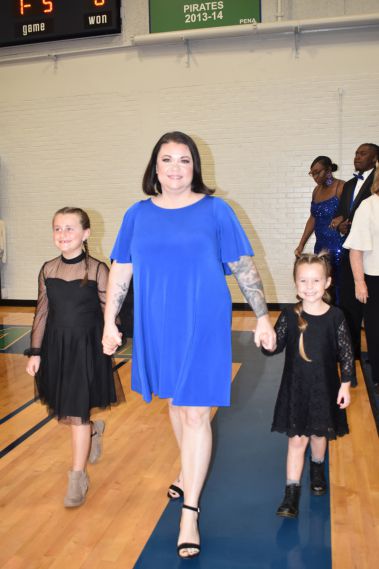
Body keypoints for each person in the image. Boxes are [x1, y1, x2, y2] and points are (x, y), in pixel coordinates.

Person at [102, 131, 276, 559]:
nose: (176, 168)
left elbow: (243, 267)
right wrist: (109, 323)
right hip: (156, 323)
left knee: (196, 410)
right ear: (154, 167)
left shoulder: (217, 210)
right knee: (177, 406)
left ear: (194, 167)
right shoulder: (137, 214)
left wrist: (263, 316)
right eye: (167, 160)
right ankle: (187, 468)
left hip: (202, 321)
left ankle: (190, 512)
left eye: (184, 160)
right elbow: (121, 270)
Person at [25, 207, 124, 508]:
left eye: (70, 228)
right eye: (58, 228)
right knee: (68, 410)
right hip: (57, 348)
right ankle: (93, 431)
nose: (63, 234)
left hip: (86, 349)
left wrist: (112, 337)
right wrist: (36, 352)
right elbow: (42, 312)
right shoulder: (47, 269)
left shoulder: (97, 270)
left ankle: (77, 476)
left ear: (85, 233)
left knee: (76, 413)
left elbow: (111, 312)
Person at [262, 252, 354, 518]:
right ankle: (290, 495)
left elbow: (346, 353)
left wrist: (345, 386)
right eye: (303, 281)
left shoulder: (335, 316)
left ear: (327, 282)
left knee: (318, 435)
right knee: (296, 441)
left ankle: (316, 469)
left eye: (316, 280)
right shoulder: (290, 315)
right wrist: (268, 342)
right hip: (296, 389)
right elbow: (275, 347)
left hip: (325, 389)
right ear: (295, 284)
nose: (310, 287)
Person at [331, 143, 379, 361]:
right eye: (356, 153)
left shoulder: (375, 183)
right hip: (351, 253)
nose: (357, 157)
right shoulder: (350, 184)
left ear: (375, 158)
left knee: (371, 314)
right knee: (349, 306)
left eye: (363, 153)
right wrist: (341, 224)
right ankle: (352, 356)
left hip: (369, 256)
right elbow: (343, 213)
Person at [343, 162, 379, 395]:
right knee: (376, 331)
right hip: (375, 279)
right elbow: (356, 249)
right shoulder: (369, 206)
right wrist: (359, 282)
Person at [295, 156, 345, 303]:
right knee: (323, 284)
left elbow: (352, 211)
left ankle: (340, 321)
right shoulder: (316, 191)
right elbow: (313, 218)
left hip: (338, 245)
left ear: (329, 169)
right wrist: (301, 244)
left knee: (339, 285)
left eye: (318, 172)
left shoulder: (340, 187)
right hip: (321, 246)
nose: (315, 177)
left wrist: (341, 218)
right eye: (312, 174)